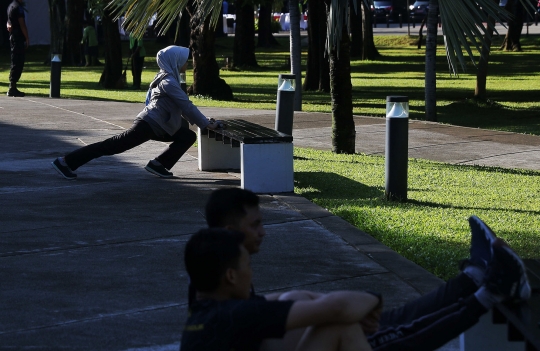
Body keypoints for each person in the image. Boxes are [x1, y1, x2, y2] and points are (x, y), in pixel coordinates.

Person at [195, 187, 531, 350]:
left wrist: (313, 301)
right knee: (352, 327)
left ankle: (470, 281)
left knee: (338, 314)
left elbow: (272, 305)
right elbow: (342, 306)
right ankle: (490, 292)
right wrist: (367, 300)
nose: (263, 231)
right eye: (255, 225)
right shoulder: (228, 308)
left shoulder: (210, 291)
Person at [182, 228, 381, 351]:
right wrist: (374, 299)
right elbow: (337, 308)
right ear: (231, 276)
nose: (251, 274)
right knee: (340, 325)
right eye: (249, 266)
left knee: (297, 298)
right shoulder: (239, 314)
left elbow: (279, 301)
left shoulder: (208, 310)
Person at [51, 46, 224, 180]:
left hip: (159, 125)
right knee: (110, 147)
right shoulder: (169, 82)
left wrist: (205, 121)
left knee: (186, 136)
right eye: (185, 60)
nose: (187, 63)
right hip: (149, 125)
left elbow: (181, 107)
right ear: (175, 61)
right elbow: (187, 106)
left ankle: (158, 165)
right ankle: (65, 162)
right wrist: (206, 124)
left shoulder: (168, 78)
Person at [6, 0, 29, 97]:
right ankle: (12, 87)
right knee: (18, 61)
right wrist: (27, 37)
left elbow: (9, 20)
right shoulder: (18, 7)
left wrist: (8, 24)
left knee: (15, 60)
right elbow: (22, 23)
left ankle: (13, 85)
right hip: (18, 37)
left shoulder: (11, 6)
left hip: (13, 37)